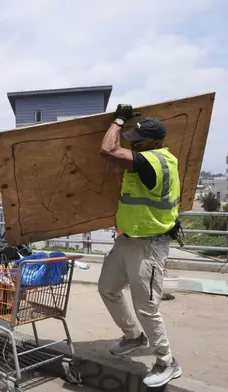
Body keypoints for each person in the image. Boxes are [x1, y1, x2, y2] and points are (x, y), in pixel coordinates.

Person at [97, 104, 182, 388]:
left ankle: (167, 361)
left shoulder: (156, 161)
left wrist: (118, 121)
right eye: (133, 139)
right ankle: (135, 337)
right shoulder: (146, 156)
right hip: (128, 240)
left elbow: (107, 150)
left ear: (156, 142)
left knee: (146, 307)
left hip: (150, 245)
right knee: (107, 288)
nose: (133, 144)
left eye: (138, 141)